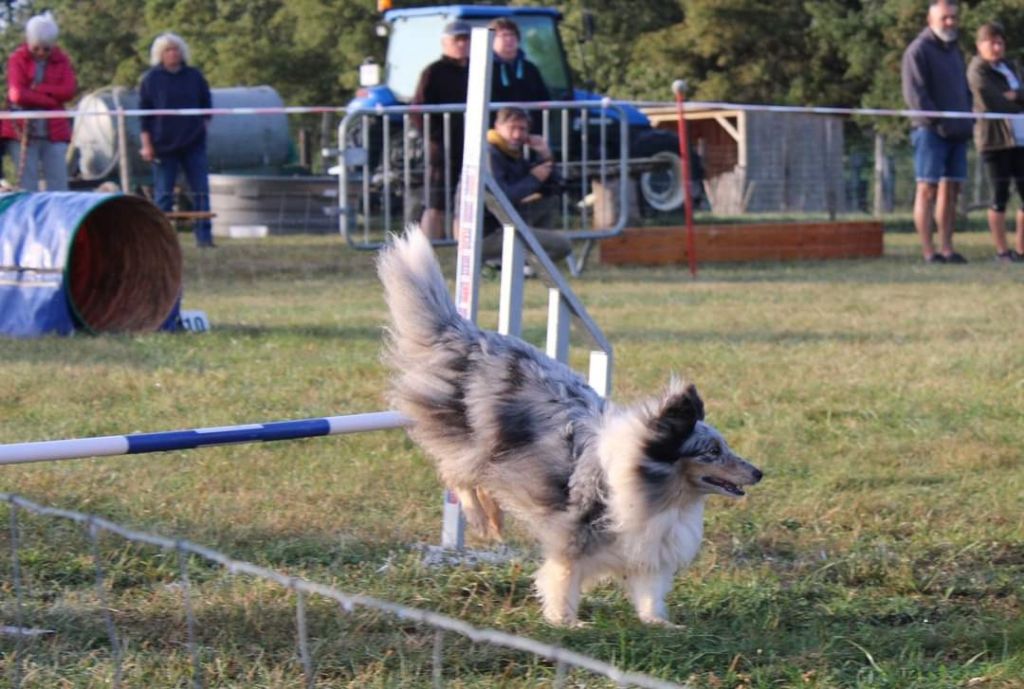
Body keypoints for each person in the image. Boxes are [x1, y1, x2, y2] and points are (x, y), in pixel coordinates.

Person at [901, 0, 973, 264]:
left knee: (951, 190)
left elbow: (964, 91)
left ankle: (946, 248)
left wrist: (967, 120)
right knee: (927, 189)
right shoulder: (917, 50)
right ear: (929, 19)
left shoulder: (955, 52)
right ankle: (928, 251)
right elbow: (916, 96)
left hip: (958, 133)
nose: (950, 23)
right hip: (929, 133)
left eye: (954, 17)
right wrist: (939, 123)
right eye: (945, 18)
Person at [139, 33, 215, 248]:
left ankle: (205, 238)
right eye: (168, 50)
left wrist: (202, 127)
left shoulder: (194, 76)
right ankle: (161, 241)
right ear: (160, 54)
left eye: (176, 49)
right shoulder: (151, 80)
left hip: (193, 144)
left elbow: (207, 105)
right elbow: (144, 115)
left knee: (200, 190)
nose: (173, 53)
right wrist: (147, 144)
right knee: (163, 194)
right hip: (163, 146)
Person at [482, 106, 571, 265]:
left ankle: (523, 261)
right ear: (497, 127)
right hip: (485, 234)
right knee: (562, 245)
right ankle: (505, 264)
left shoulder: (510, 152)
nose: (517, 135)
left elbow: (557, 187)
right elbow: (501, 198)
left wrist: (545, 155)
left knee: (549, 202)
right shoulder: (490, 153)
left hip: (502, 224)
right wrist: (534, 179)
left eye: (522, 129)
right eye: (512, 128)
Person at [967, 22, 1024, 263]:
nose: (997, 47)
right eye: (992, 42)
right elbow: (994, 103)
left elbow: (1018, 95)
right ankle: (1002, 251)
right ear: (980, 45)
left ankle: (1021, 249)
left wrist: (1017, 96)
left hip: (1020, 139)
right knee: (999, 195)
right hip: (994, 141)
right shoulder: (977, 70)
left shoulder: (1010, 66)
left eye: (1000, 42)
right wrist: (1014, 100)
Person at [1, 11, 76, 191]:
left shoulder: (62, 60)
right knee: (28, 186)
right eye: (36, 48)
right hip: (23, 133)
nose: (41, 52)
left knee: (59, 185)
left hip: (54, 132)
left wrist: (38, 90)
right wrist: (52, 101)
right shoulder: (17, 59)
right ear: (28, 42)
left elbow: (69, 90)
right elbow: (17, 95)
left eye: (46, 48)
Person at [411, 20, 471, 240]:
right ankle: (429, 247)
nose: (463, 44)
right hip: (443, 149)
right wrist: (436, 137)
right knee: (437, 202)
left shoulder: (479, 70)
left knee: (468, 201)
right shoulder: (433, 72)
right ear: (445, 43)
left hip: (472, 146)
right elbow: (417, 111)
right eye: (458, 39)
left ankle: (463, 246)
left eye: (466, 39)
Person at [489, 17, 550, 134]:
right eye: (503, 35)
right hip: (495, 134)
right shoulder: (484, 69)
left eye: (512, 35)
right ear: (491, 40)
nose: (509, 39)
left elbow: (543, 98)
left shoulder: (530, 68)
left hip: (528, 132)